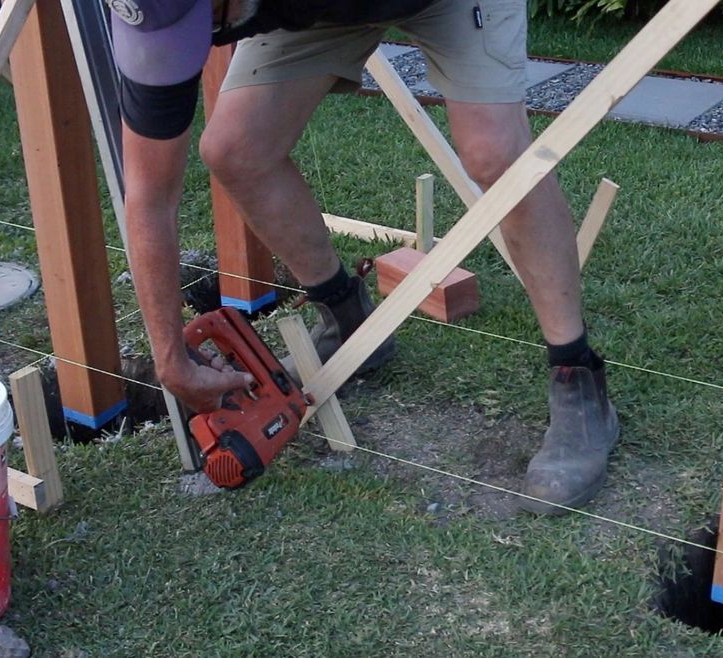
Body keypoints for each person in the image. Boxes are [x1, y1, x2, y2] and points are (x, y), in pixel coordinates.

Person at [108, 0, 618, 514]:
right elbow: (149, 195)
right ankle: (347, 321)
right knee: (236, 150)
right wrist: (170, 359)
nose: (203, 36)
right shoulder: (156, 17)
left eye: (205, 19)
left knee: (494, 152)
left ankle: (576, 375)